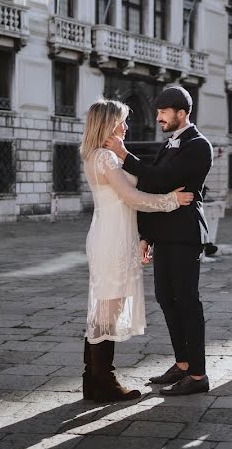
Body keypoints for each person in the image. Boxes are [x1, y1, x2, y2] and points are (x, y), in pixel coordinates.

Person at [79, 99, 193, 403]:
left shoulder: (96, 155)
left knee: (105, 306)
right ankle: (105, 381)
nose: (126, 127)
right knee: (108, 308)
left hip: (112, 233)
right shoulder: (105, 158)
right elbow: (132, 196)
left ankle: (93, 379)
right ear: (107, 125)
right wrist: (171, 200)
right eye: (121, 122)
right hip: (112, 237)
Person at [106, 86, 213, 396]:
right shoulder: (169, 145)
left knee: (187, 303)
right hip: (165, 234)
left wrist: (123, 154)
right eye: (158, 112)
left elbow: (160, 180)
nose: (158, 118)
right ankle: (182, 364)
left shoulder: (198, 146)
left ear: (182, 113)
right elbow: (156, 190)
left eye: (163, 112)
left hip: (185, 235)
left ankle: (198, 375)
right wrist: (147, 236)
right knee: (167, 300)